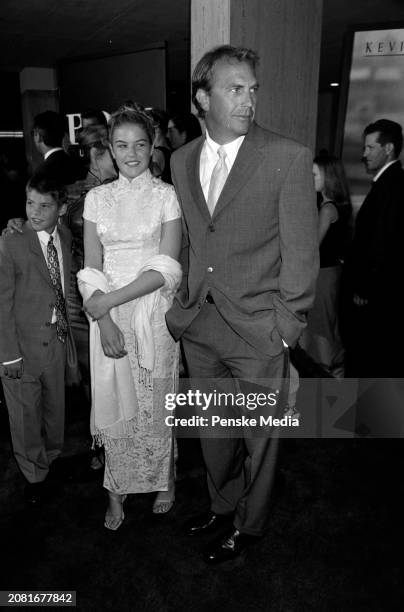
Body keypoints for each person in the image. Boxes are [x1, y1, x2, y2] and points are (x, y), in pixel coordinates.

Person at [166, 45, 318, 563]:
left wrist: (284, 328)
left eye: (253, 89)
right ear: (201, 99)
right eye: (236, 88)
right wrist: (180, 303)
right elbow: (191, 238)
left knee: (260, 440)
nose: (249, 99)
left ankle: (248, 527)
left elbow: (302, 254)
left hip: (259, 332)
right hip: (201, 325)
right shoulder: (181, 159)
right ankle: (221, 504)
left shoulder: (287, 157)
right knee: (214, 433)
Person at [78, 105, 182, 530]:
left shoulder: (166, 195)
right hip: (108, 315)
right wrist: (103, 319)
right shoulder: (96, 198)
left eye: (140, 144)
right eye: (122, 145)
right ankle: (116, 488)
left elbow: (167, 268)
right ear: (111, 150)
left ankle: (165, 479)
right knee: (118, 405)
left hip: (153, 314)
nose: (132, 153)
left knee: (156, 404)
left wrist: (109, 302)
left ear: (152, 145)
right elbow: (90, 267)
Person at [0, 174, 75, 504]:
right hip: (21, 347)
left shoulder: (67, 236)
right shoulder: (12, 240)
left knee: (54, 410)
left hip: (56, 340)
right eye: (30, 203)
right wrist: (8, 355)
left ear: (61, 208)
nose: (35, 212)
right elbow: (1, 302)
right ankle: (34, 474)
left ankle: (53, 458)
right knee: (26, 417)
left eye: (45, 205)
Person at [343, 119, 404, 378]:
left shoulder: (392, 186)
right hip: (378, 296)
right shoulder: (389, 183)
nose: (364, 154)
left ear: (388, 148)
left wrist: (364, 288)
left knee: (370, 361)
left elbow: (382, 241)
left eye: (370, 148)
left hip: (375, 299)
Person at [300, 155, 351, 377]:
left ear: (327, 177)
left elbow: (311, 246)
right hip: (332, 273)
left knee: (321, 329)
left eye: (314, 174)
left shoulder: (327, 209)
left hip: (323, 275)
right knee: (328, 326)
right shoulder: (339, 205)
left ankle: (329, 377)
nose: (310, 178)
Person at [32, 110, 86, 185]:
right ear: (63, 135)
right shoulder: (78, 166)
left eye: (33, 134)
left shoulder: (41, 173)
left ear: (38, 136)